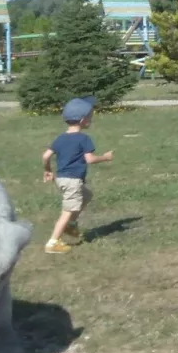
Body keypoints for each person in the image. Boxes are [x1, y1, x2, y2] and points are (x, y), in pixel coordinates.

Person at [40, 97, 113, 254]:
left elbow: (46, 156)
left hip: (62, 179)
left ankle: (71, 225)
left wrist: (48, 170)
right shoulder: (83, 139)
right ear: (82, 120)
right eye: (90, 116)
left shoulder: (60, 138)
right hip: (72, 180)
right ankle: (53, 243)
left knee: (86, 195)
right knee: (67, 211)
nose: (91, 119)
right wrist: (105, 157)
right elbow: (90, 159)